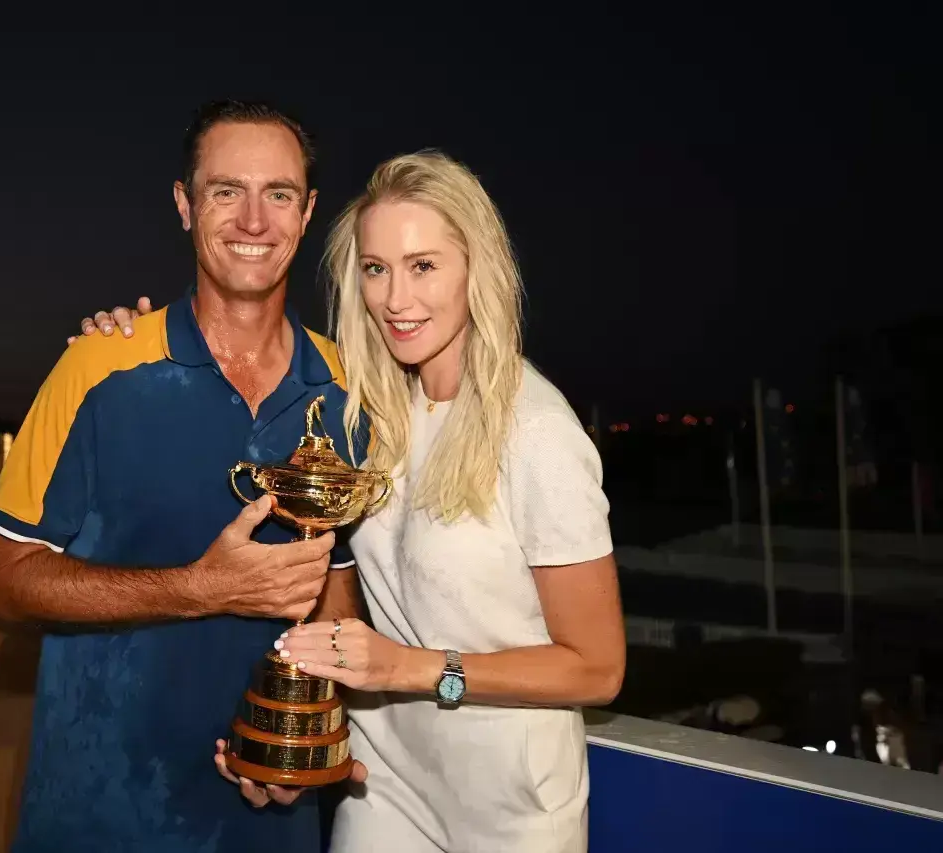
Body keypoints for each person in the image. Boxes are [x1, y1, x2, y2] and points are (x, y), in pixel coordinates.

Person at [80, 150, 626, 851]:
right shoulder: (371, 412)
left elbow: (598, 666)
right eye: (377, 269)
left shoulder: (538, 431)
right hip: (384, 780)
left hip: (509, 804)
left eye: (424, 265)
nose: (397, 300)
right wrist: (293, 745)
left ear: (476, 269)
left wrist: (409, 668)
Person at [0, 99, 368, 853]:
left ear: (308, 210)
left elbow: (335, 596)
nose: (254, 220)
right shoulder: (98, 365)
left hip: (271, 819)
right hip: (100, 819)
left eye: (278, 194)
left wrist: (309, 741)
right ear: (186, 205)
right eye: (227, 191)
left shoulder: (347, 390)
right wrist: (201, 586)